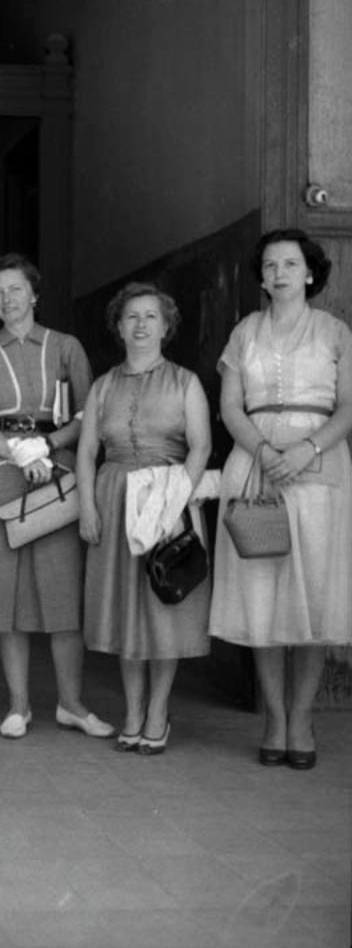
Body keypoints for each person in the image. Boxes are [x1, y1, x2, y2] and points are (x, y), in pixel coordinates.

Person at [0, 253, 113, 741]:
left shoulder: (66, 347)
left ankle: (72, 704)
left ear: (34, 294)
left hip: (57, 479)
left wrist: (49, 446)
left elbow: (89, 415)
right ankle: (18, 706)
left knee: (63, 596)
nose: (6, 300)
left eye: (15, 290)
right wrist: (19, 453)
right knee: (6, 599)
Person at [210, 229, 352, 770]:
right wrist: (267, 450)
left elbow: (347, 407)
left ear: (310, 273)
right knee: (262, 595)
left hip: (319, 463)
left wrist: (306, 448)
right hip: (256, 463)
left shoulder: (335, 332)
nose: (279, 273)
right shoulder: (245, 331)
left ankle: (302, 718)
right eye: (270, 266)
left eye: (290, 264)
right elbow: (229, 407)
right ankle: (273, 716)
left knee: (314, 595)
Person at [77, 283, 212, 756]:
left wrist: (174, 503)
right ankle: (132, 711)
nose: (140, 324)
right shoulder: (104, 384)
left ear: (166, 325)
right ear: (118, 327)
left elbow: (200, 447)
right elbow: (88, 450)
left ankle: (158, 711)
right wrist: (88, 507)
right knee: (124, 615)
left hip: (168, 501)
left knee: (161, 614)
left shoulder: (185, 382)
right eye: (131, 317)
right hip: (114, 499)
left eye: (150, 316)